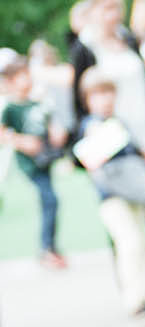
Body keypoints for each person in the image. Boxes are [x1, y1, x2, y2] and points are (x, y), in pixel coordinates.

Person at [70, 0, 145, 299]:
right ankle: (134, 293)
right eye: (106, 7)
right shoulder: (85, 49)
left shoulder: (128, 40)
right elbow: (80, 104)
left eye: (116, 6)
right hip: (115, 148)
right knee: (123, 225)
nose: (114, 13)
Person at [75, 66, 145, 316]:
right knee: (129, 243)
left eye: (108, 93)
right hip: (112, 195)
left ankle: (144, 295)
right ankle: (135, 299)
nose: (105, 100)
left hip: (134, 190)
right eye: (98, 94)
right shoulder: (90, 126)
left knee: (141, 243)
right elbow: (91, 158)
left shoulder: (121, 122)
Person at [1, 48, 70, 270]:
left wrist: (56, 131)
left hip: (45, 157)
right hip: (31, 163)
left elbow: (50, 120)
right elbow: (3, 132)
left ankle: (50, 247)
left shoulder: (37, 101)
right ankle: (47, 248)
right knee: (50, 200)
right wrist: (22, 141)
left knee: (50, 200)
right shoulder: (10, 106)